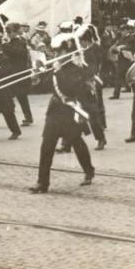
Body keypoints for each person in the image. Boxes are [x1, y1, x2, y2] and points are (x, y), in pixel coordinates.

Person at [29, 33, 95, 193]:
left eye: (60, 52)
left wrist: (57, 71)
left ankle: (89, 170)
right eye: (56, 52)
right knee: (47, 146)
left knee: (77, 143)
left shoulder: (78, 68)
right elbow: (46, 87)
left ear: (70, 52)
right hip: (55, 111)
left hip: (70, 112)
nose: (56, 55)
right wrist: (37, 76)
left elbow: (69, 88)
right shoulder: (57, 68)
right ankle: (42, 183)